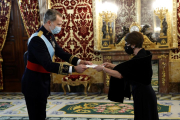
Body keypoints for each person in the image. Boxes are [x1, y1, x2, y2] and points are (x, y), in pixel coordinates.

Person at [22, 9, 92, 120]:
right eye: (58, 24)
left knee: (41, 113)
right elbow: (48, 65)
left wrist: (79, 61)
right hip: (33, 82)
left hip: (42, 80)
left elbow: (61, 53)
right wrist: (74, 69)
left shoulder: (49, 35)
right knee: (36, 115)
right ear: (49, 22)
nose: (60, 27)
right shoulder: (37, 39)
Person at [94, 31, 159, 120]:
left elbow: (121, 75)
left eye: (127, 44)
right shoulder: (143, 55)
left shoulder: (139, 58)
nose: (126, 46)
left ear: (133, 44)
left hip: (143, 95)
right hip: (145, 93)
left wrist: (103, 69)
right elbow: (129, 69)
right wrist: (112, 65)